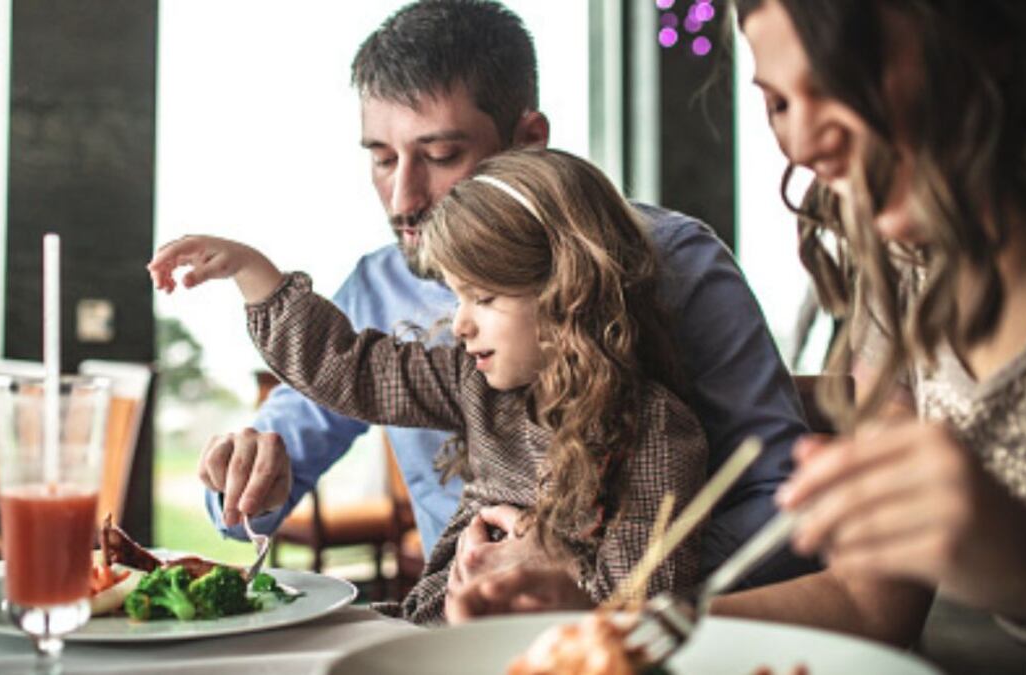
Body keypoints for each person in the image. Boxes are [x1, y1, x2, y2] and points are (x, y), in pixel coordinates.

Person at [451, 0, 1026, 670]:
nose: (803, 141)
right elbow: (871, 602)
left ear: (986, 41)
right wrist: (604, 618)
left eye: (841, 78)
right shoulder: (903, 275)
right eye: (778, 102)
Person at [200, 0, 812, 590]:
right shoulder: (376, 288)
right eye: (383, 159)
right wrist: (245, 476)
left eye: (440, 155)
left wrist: (592, 580)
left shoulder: (675, 264)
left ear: (529, 141)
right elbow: (244, 503)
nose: (402, 200)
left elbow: (780, 504)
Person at [150, 147, 715, 624]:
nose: (462, 323)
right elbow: (353, 370)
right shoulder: (476, 383)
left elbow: (646, 606)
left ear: (569, 293)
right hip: (431, 631)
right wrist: (255, 275)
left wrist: (559, 567)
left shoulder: (658, 434)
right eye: (458, 296)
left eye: (485, 299)